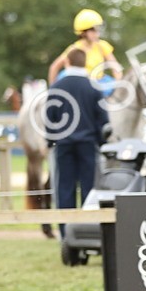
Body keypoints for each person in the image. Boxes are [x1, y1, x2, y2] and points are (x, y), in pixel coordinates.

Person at [45, 48, 109, 237]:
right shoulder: (93, 86)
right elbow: (102, 118)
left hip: (64, 145)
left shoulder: (57, 86)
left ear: (67, 62)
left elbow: (50, 117)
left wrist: (51, 140)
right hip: (88, 144)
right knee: (89, 189)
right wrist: (101, 141)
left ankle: (66, 234)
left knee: (65, 188)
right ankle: (88, 232)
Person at [47, 9, 123, 94]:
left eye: (98, 30)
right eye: (93, 30)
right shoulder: (75, 49)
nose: (97, 34)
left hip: (100, 82)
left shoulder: (102, 46)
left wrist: (118, 81)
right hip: (83, 85)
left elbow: (114, 66)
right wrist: (52, 90)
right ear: (83, 32)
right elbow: (54, 67)